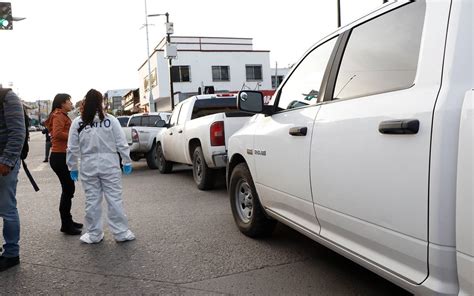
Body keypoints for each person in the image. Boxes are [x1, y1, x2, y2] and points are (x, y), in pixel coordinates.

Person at [67, 89, 135, 244]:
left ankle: (94, 234)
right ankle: (121, 232)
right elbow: (121, 143)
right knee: (114, 199)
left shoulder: (78, 122)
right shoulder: (111, 120)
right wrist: (126, 161)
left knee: (92, 200)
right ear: (101, 103)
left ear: (85, 102)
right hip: (109, 164)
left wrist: (73, 167)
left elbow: (72, 148)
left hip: (88, 166)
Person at [44, 93, 83, 235]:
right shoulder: (58, 115)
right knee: (68, 189)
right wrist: (75, 136)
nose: (71, 104)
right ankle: (66, 224)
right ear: (62, 103)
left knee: (68, 189)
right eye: (69, 101)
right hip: (60, 156)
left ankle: (68, 221)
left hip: (61, 156)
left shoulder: (61, 115)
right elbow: (58, 133)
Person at [0, 88, 25, 271]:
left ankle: (11, 254)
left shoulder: (7, 96)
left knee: (7, 209)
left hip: (3, 162)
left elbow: (18, 132)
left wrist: (7, 161)